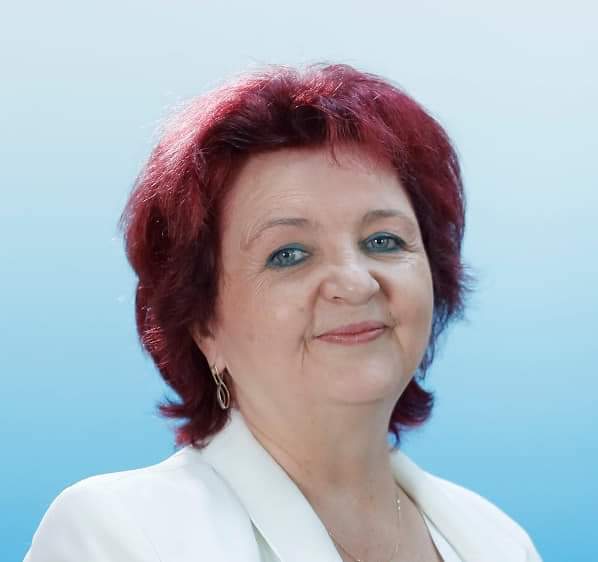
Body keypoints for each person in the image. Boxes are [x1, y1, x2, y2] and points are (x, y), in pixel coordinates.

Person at [24, 63, 543, 562]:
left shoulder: (497, 541)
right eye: (289, 254)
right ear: (203, 324)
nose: (355, 283)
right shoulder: (117, 534)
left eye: (383, 240)